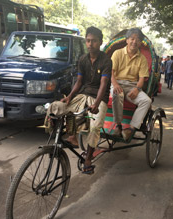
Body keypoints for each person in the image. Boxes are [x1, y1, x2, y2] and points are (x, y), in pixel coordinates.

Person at [44, 26, 112, 174]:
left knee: (95, 127)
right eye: (88, 41)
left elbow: (104, 84)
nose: (90, 44)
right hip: (82, 95)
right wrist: (70, 96)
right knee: (56, 108)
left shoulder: (106, 61)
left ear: (100, 42)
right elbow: (79, 82)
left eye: (93, 41)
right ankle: (66, 138)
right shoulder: (82, 59)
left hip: (99, 98)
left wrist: (97, 103)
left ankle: (88, 159)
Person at [110, 28, 152, 141]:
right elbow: (111, 72)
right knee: (117, 94)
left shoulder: (142, 58)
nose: (134, 42)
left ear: (140, 43)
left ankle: (131, 129)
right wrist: (115, 85)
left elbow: (142, 78)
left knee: (147, 101)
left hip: (133, 86)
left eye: (137, 40)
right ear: (127, 40)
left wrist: (137, 89)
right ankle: (118, 126)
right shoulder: (117, 53)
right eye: (132, 39)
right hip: (117, 83)